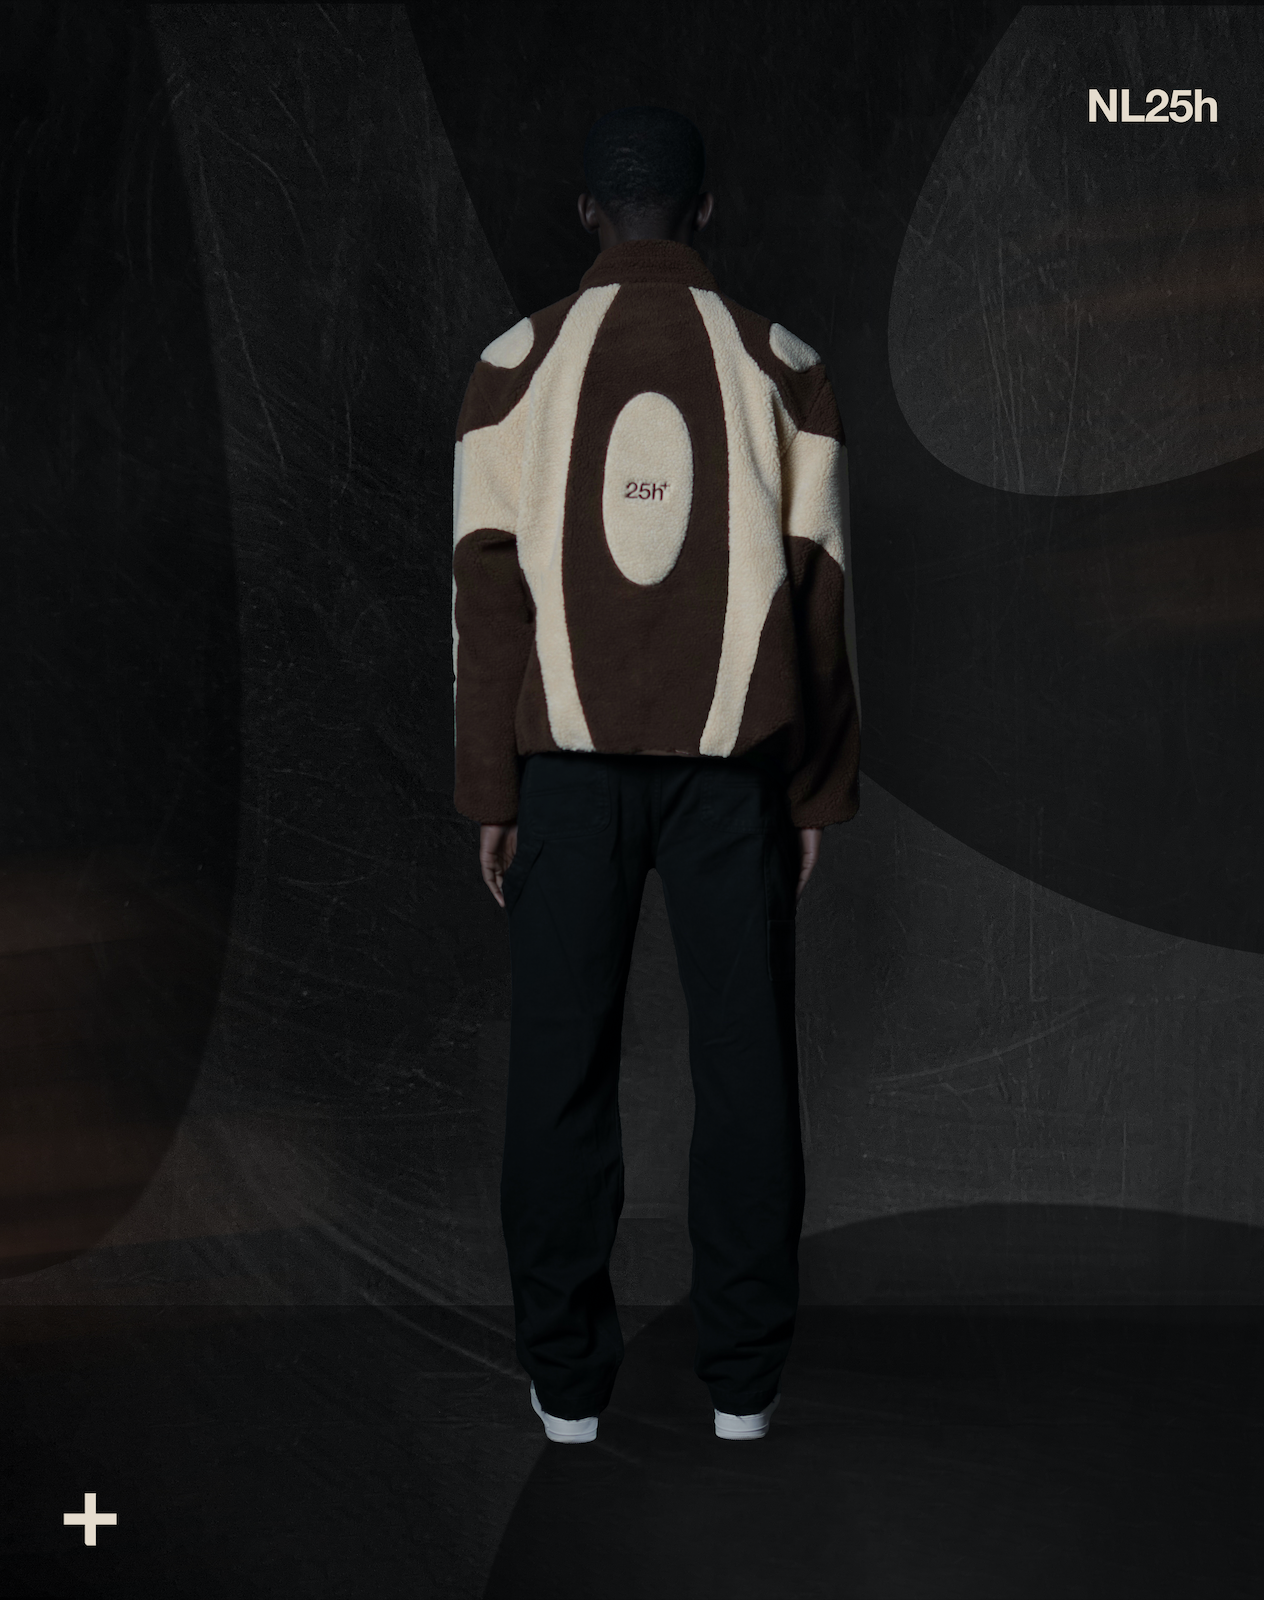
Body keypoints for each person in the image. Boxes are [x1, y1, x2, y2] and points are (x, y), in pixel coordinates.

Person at [451, 106, 858, 1445]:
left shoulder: (512, 365)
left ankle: (568, 1388)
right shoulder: (783, 364)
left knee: (559, 1073)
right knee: (747, 1072)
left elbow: (483, 598)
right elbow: (822, 589)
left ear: (586, 212)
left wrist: (493, 792)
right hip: (735, 777)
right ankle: (745, 1385)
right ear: (707, 210)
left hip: (564, 776)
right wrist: (814, 789)